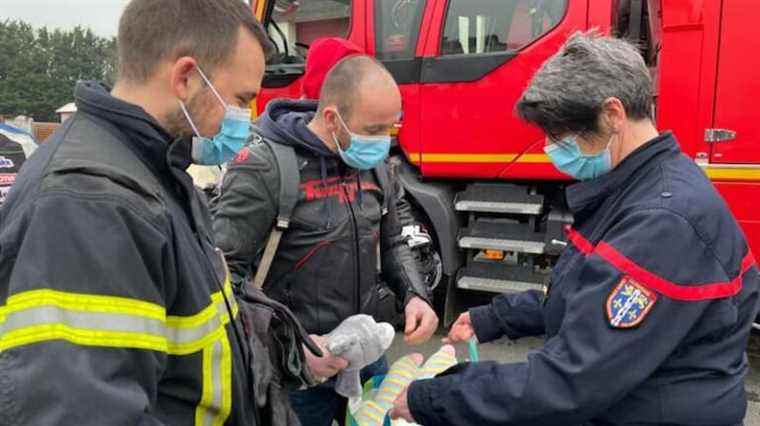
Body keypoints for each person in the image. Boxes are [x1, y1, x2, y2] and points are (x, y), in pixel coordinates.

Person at [390, 32, 760, 426]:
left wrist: (432, 398)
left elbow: (570, 381)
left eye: (559, 135)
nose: (552, 148)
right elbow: (584, 294)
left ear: (612, 114)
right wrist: (495, 318)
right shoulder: (642, 187)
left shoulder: (660, 223)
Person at [0, 0, 273, 423]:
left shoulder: (156, 170)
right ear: (185, 77)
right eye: (241, 99)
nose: (246, 119)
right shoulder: (90, 204)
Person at [212, 55, 439, 425]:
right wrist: (295, 352)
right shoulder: (264, 167)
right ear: (332, 118)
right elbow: (222, 281)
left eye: (390, 128)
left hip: (367, 357)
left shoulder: (377, 166)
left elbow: (394, 240)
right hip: (297, 377)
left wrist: (415, 294)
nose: (383, 141)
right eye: (373, 128)